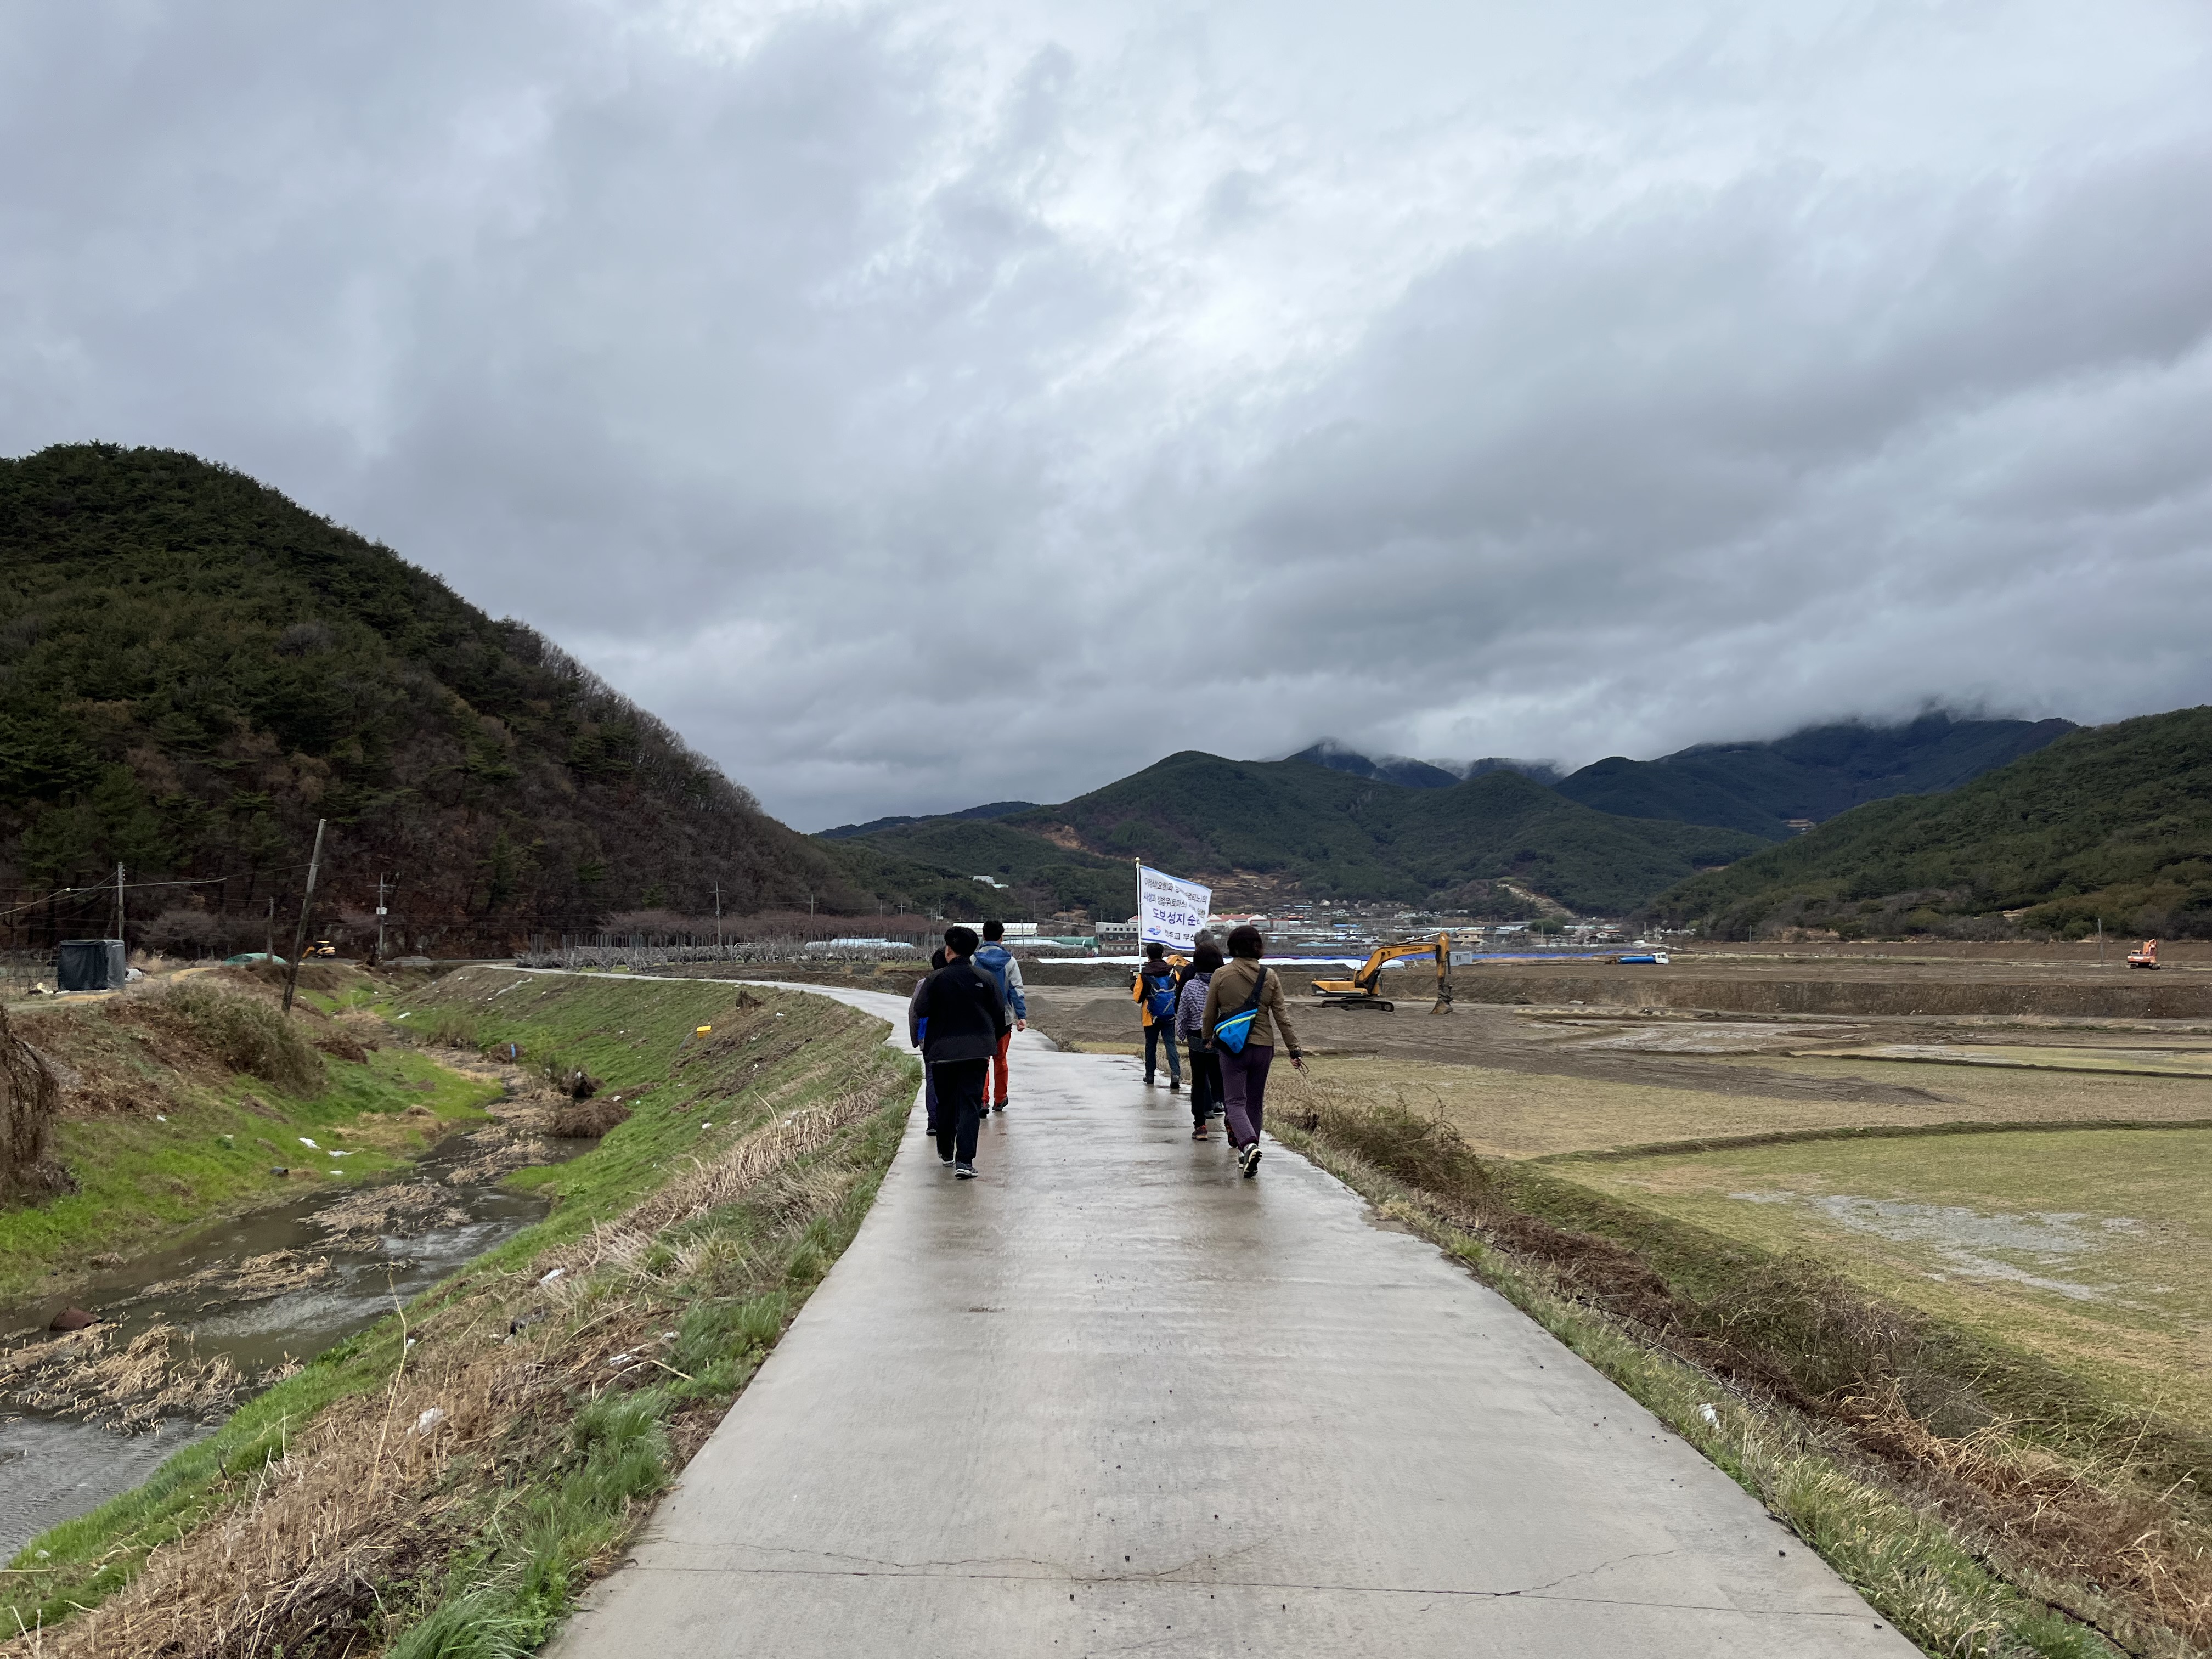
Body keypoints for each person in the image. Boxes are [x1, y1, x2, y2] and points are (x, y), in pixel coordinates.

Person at [1201, 923, 1303, 1177]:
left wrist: (1207, 1038)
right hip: (1263, 1047)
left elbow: (1209, 1013)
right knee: (1255, 1103)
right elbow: (1282, 1017)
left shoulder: (1221, 975)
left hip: (1232, 1048)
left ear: (1232, 947)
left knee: (1235, 1101)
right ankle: (1247, 1155)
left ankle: (1248, 1145)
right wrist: (1294, 1049)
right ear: (1258, 947)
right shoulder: (1270, 976)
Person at [911, 927, 1007, 1178]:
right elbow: (1000, 1016)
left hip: (942, 1052)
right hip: (976, 1052)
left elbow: (921, 1010)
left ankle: (945, 1151)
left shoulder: (935, 980)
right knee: (969, 1104)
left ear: (949, 950)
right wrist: (988, 1043)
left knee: (946, 1103)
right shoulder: (985, 978)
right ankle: (965, 1161)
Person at [970, 919, 1029, 1112]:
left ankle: (982, 1100)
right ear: (1002, 937)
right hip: (1003, 1018)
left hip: (978, 1017)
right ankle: (1000, 1099)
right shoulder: (1010, 962)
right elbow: (1016, 990)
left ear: (983, 936)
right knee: (1000, 1059)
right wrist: (1021, 1016)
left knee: (982, 1060)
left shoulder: (973, 960)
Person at [1175, 941, 1224, 1139]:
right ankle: (1231, 1122)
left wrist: (1181, 1034)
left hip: (1197, 1039)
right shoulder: (1223, 984)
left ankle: (1200, 1126)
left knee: (1199, 1082)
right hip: (1219, 1038)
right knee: (1221, 1080)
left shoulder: (1190, 986)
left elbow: (1182, 1014)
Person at [909, 946, 949, 1147]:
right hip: (950, 1039)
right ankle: (950, 1119)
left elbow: (914, 1013)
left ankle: (933, 1120)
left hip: (927, 1038)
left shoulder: (923, 984)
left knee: (932, 1078)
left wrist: (916, 1039)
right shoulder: (953, 983)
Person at [1133, 941, 1183, 1091]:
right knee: (1170, 1044)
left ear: (1148, 956)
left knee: (1151, 1045)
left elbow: (1137, 998)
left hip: (1150, 1016)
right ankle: (1175, 1074)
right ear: (1163, 954)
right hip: (1169, 1014)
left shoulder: (1144, 974)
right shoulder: (1173, 972)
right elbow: (1178, 992)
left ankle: (1150, 1076)